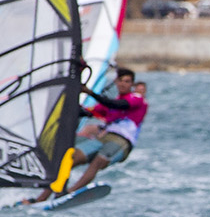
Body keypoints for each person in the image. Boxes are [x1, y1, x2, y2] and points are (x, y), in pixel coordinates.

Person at [23, 67, 147, 203]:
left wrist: (90, 92)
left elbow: (116, 104)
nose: (123, 84)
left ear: (132, 84)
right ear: (116, 82)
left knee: (97, 162)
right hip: (104, 137)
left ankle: (68, 193)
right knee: (70, 159)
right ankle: (41, 198)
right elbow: (87, 111)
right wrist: (67, 101)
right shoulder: (110, 104)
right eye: (121, 81)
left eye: (127, 81)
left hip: (122, 142)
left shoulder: (136, 99)